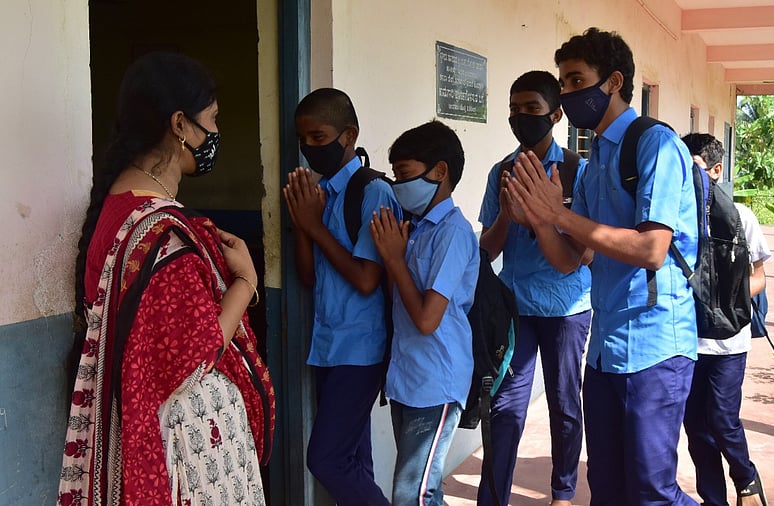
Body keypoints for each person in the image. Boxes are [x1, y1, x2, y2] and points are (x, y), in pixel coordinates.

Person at [59, 52, 275, 506]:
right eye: (211, 120)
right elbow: (194, 354)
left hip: (140, 432)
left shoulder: (118, 206)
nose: (215, 134)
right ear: (180, 125)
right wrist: (246, 283)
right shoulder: (164, 234)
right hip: (184, 449)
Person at [506, 28, 701, 505]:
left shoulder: (654, 144)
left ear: (613, 82)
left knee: (653, 490)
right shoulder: (595, 161)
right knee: (609, 488)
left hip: (656, 346)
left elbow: (653, 248)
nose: (567, 94)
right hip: (605, 350)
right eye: (564, 83)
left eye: (576, 81)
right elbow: (576, 260)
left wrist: (559, 214)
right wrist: (541, 222)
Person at [477, 70, 592, 506]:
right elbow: (486, 250)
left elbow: (583, 254)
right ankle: (493, 498)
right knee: (505, 409)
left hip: (566, 309)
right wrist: (508, 215)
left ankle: (562, 493)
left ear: (556, 114)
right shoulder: (502, 171)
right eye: (514, 109)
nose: (521, 118)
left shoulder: (577, 171)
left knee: (565, 406)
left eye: (531, 109)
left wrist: (543, 218)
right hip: (516, 308)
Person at [283, 88, 401, 504]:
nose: (310, 148)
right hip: (328, 346)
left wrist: (315, 227)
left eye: (319, 138)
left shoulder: (372, 193)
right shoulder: (319, 194)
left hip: (361, 349)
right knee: (353, 457)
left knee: (326, 459)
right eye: (303, 140)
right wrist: (302, 225)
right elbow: (309, 277)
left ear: (348, 135)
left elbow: (368, 280)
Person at [369, 120, 479, 505]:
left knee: (410, 492)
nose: (398, 185)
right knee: (423, 489)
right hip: (408, 376)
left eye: (405, 174)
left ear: (440, 171)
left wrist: (395, 260)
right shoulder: (414, 229)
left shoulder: (452, 232)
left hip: (436, 380)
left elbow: (427, 319)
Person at [680, 133, 770, 506]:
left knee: (721, 417)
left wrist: (725, 296)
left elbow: (760, 276)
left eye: (695, 167)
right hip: (685, 340)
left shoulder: (741, 217)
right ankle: (712, 499)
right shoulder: (675, 216)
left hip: (728, 342)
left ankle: (746, 479)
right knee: (695, 427)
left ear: (716, 170)